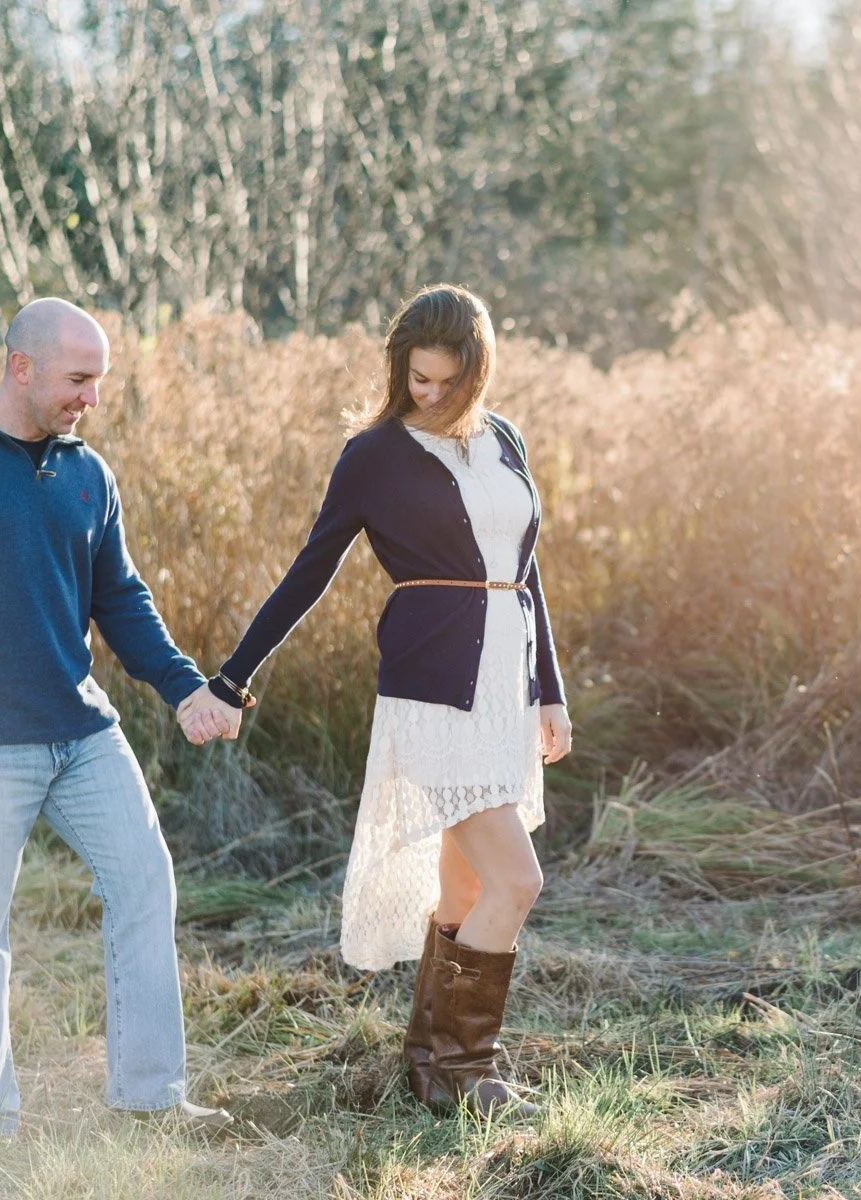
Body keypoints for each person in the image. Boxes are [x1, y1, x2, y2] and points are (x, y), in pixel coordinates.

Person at [0, 298, 241, 1140]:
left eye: (98, 380)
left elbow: (120, 600)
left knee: (144, 882)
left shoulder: (88, 474)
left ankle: (149, 1097)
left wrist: (183, 688)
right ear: (20, 367)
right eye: (77, 379)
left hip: (83, 734)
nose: (90, 398)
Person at [196, 283, 571, 1118]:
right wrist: (231, 677)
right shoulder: (374, 454)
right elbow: (312, 570)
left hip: (506, 694)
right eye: (416, 378)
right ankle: (470, 1072)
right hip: (434, 696)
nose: (428, 395)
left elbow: (525, 569)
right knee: (518, 882)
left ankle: (431, 1071)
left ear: (477, 372)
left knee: (469, 893)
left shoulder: (503, 438)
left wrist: (550, 690)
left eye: (445, 381)